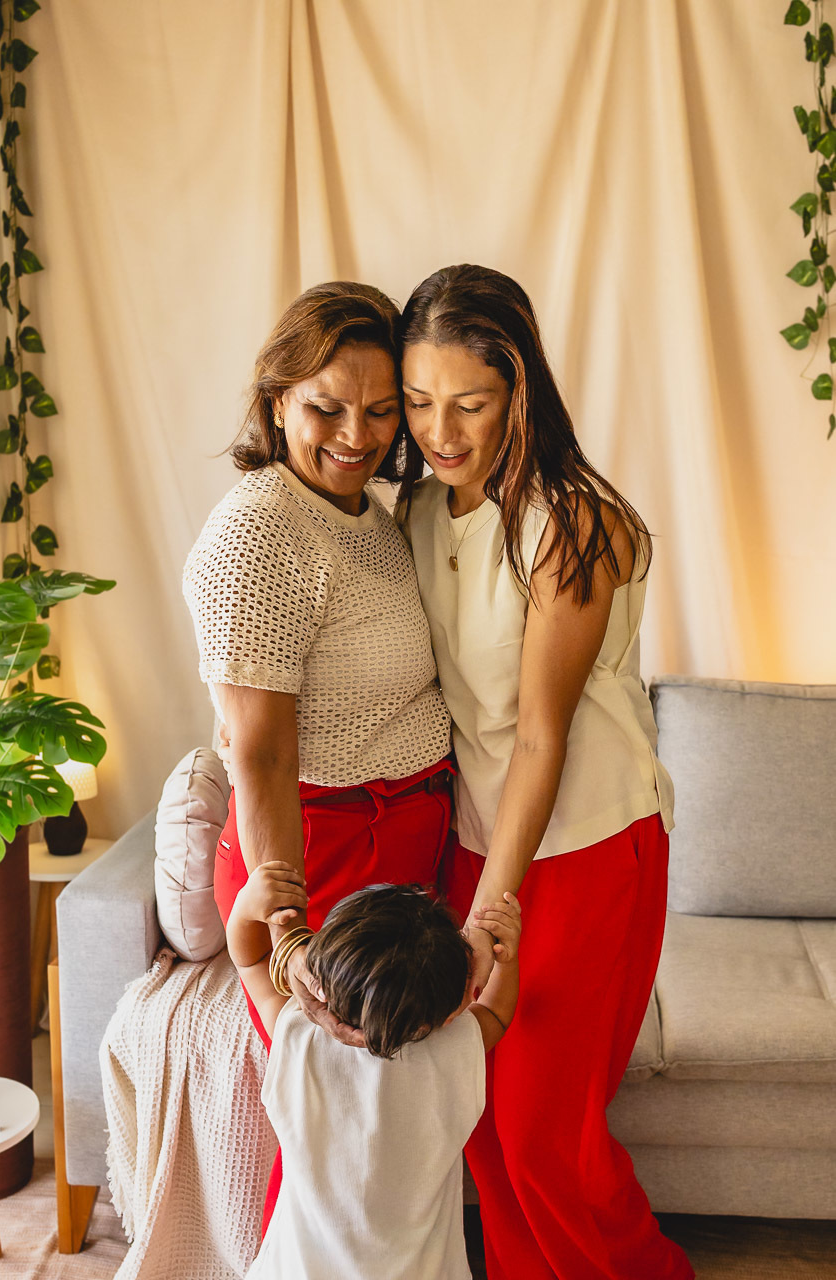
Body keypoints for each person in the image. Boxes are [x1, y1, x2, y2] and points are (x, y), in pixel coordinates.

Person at [396, 264, 694, 1280]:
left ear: (517, 392)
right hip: (478, 842)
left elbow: (536, 735)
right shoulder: (422, 514)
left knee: (540, 1135)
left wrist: (491, 904)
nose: (440, 428)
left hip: (584, 845)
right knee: (477, 1121)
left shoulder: (567, 521)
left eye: (468, 403)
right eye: (419, 400)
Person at [182, 281, 454, 1225]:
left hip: (397, 854)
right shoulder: (261, 526)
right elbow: (256, 753)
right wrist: (288, 922)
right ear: (275, 400)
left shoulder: (364, 517)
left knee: (395, 1126)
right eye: (325, 407)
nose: (357, 433)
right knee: (328, 1128)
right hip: (316, 855)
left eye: (382, 412)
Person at [225, 862, 521, 1280]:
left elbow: (252, 960)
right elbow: (496, 1012)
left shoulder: (299, 1037)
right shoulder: (456, 1046)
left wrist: (246, 906)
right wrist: (505, 956)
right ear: (450, 1005)